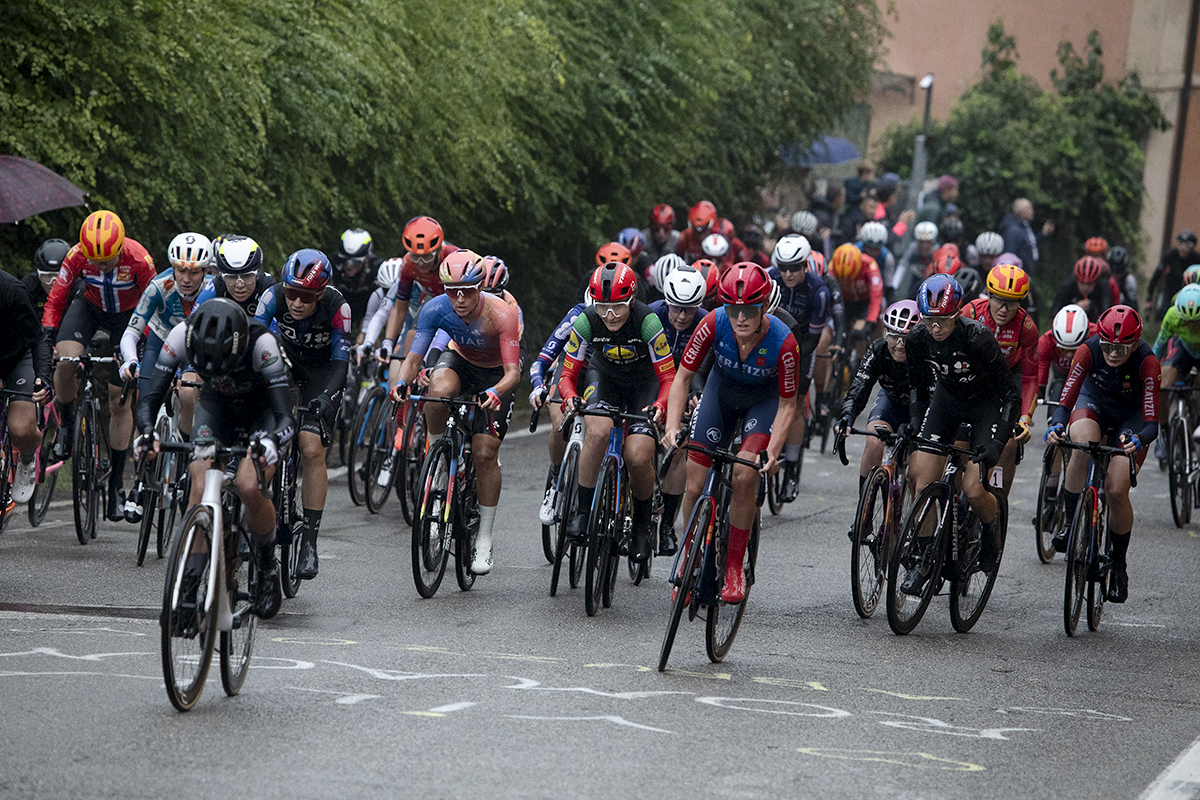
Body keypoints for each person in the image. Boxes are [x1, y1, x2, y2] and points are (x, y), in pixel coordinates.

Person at [135, 299, 292, 620]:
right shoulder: (180, 335)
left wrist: (272, 441)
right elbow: (150, 397)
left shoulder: (263, 344)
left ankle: (265, 565)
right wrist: (148, 432)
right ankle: (190, 587)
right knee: (199, 482)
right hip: (217, 406)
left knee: (250, 485)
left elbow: (284, 417)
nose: (215, 372)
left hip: (262, 413)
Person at [663, 263, 798, 602]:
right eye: (734, 309)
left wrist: (774, 449)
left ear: (763, 306)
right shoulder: (713, 322)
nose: (740, 318)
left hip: (762, 403)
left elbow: (787, 405)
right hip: (720, 395)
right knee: (694, 483)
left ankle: (735, 567)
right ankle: (689, 552)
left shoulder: (785, 342)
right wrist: (672, 425)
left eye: (749, 310)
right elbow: (681, 378)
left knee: (742, 475)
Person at [392, 250, 522, 573]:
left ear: (479, 287)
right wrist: (401, 384)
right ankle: (438, 454)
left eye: (467, 291)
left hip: (495, 374)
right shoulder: (434, 309)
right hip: (460, 361)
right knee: (436, 390)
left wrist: (495, 392)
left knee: (485, 452)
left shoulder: (502, 314)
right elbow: (414, 358)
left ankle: (485, 540)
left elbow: (513, 372)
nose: (460, 299)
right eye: (453, 292)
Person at [902, 274, 1021, 592]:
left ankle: (991, 528)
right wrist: (915, 421)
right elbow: (916, 386)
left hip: (985, 406)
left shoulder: (978, 338)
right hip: (948, 401)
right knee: (922, 481)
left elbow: (1011, 396)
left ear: (957, 314)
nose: (934, 328)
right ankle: (925, 559)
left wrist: (997, 444)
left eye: (942, 320)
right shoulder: (916, 338)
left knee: (972, 488)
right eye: (928, 320)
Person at [558, 262, 676, 564]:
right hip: (604, 378)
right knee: (596, 432)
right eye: (603, 307)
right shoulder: (586, 321)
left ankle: (640, 526)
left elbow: (668, 378)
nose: (609, 315)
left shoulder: (648, 322)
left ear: (632, 300)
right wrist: (570, 396)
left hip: (644, 384)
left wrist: (661, 405)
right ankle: (583, 511)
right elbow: (568, 375)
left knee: (637, 455)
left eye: (618, 307)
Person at [42, 210, 156, 521]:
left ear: (120, 248)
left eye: (107, 261)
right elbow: (56, 298)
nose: (100, 266)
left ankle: (117, 485)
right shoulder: (77, 255)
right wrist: (49, 333)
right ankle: (65, 427)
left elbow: (152, 303)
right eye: (95, 261)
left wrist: (138, 344)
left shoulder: (140, 260)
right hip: (89, 307)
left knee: (119, 399)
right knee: (65, 362)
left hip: (128, 317)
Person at [1045, 305, 1159, 603]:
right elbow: (1065, 400)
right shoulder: (1088, 350)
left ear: (1135, 344)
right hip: (1093, 402)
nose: (1112, 354)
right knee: (1080, 448)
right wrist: (1057, 424)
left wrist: (1138, 438)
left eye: (1121, 349)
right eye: (1107, 346)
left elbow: (1151, 424)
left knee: (1116, 489)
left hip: (1131, 418)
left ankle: (1119, 566)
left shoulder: (1147, 362)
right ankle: (1070, 525)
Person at [254, 249, 352, 581]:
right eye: (292, 293)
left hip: (322, 374)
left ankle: (309, 543)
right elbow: (255, 340)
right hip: (283, 365)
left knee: (311, 447)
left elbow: (341, 364)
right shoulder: (272, 296)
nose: (296, 302)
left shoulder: (338, 308)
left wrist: (326, 398)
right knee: (265, 434)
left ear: (320, 293)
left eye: (305, 296)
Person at [118, 232, 212, 494]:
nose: (186, 277)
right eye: (180, 269)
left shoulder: (215, 290)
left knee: (187, 393)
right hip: (161, 342)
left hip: (196, 347)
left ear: (205, 271)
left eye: (194, 271)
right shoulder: (159, 286)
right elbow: (131, 333)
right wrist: (131, 361)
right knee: (146, 400)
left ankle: (183, 450)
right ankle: (140, 477)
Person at [960, 264, 1040, 495]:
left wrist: (1025, 418)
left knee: (1011, 441)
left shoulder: (1026, 327)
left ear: (1021, 302)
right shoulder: (971, 313)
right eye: (999, 300)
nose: (1004, 309)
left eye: (1013, 302)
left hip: (1006, 381)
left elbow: (1031, 377)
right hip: (972, 379)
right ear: (989, 294)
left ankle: (996, 504)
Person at [646, 266, 710, 552]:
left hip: (688, 386)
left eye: (690, 309)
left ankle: (668, 526)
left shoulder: (707, 322)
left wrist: (698, 395)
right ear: (666, 301)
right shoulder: (651, 315)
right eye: (677, 308)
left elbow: (707, 368)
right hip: (651, 382)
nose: (682, 316)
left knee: (681, 445)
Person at [767, 236, 830, 498]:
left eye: (794, 268)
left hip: (803, 347)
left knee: (794, 402)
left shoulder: (819, 291)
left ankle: (791, 469)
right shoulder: (769, 279)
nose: (788, 274)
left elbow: (814, 339)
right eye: (783, 267)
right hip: (772, 341)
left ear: (805, 265)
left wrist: (790, 362)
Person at [833, 300, 918, 492]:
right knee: (873, 443)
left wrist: (916, 424)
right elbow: (859, 387)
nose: (899, 345)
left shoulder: (925, 355)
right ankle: (864, 512)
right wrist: (847, 416)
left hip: (923, 409)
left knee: (918, 473)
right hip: (892, 402)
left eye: (906, 338)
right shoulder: (878, 350)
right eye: (893, 336)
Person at [360, 215, 458, 369]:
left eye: (426, 257)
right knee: (412, 335)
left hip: (458, 303)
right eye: (415, 257)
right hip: (432, 300)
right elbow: (399, 307)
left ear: (438, 250)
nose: (420, 263)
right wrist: (388, 342)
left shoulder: (453, 257)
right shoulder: (407, 264)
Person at [1032, 303, 1094, 527]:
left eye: (1074, 349)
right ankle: (1049, 499)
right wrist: (1039, 391)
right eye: (1064, 349)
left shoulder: (1096, 335)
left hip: (1089, 383)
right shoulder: (1046, 340)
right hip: (1061, 381)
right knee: (1055, 436)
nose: (1068, 354)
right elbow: (1041, 369)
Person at [0, 270, 54, 505]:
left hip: (17, 358)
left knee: (21, 429)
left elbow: (39, 339)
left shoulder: (11, 289)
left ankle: (26, 458)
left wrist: (43, 377)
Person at [1152, 284, 1200, 462]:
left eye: (1195, 320)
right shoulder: (1172, 316)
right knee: (1162, 387)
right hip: (1184, 350)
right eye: (1186, 320)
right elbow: (1159, 346)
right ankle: (1164, 434)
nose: (1190, 324)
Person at [192, 235, 276, 318]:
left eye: (246, 276)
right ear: (222, 277)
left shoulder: (267, 287)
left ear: (257, 274)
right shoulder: (215, 286)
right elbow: (191, 323)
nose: (240, 285)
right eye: (232, 277)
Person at [828, 243, 883, 360]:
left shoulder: (870, 265)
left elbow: (876, 296)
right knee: (839, 331)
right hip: (845, 302)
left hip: (865, 303)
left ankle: (861, 362)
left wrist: (870, 321)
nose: (848, 280)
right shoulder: (832, 268)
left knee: (860, 333)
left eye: (851, 276)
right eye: (844, 278)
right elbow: (829, 295)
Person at [1146, 230, 1200, 321]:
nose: (1183, 249)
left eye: (1187, 246)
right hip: (1169, 290)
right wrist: (1149, 299)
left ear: (1192, 247)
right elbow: (1156, 276)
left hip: (1189, 293)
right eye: (1180, 244)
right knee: (1161, 314)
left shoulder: (1197, 259)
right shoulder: (1170, 256)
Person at [332, 228, 382, 325]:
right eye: (345, 260)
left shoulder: (376, 268)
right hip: (340, 305)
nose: (349, 266)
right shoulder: (332, 262)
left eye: (355, 262)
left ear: (366, 258)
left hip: (366, 308)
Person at [1000, 198, 1054, 277]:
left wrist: (1043, 234)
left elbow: (1030, 244)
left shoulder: (1024, 225)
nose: (1032, 211)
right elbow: (1009, 254)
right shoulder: (1013, 230)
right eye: (1029, 208)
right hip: (1018, 274)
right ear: (1021, 211)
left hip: (1026, 272)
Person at [1053, 256, 1112, 322]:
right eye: (1082, 283)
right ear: (1076, 280)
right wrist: (1074, 307)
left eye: (1090, 284)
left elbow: (1107, 314)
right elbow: (1055, 315)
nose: (1085, 287)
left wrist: (1093, 306)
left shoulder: (1103, 287)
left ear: (1096, 282)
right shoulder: (1067, 286)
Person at [24, 239, 71, 318]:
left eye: (60, 276)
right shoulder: (27, 288)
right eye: (47, 276)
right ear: (38, 275)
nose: (53, 283)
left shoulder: (81, 289)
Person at [894, 221, 939, 299]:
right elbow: (902, 266)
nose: (924, 246)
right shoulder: (912, 249)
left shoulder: (938, 251)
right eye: (921, 242)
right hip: (916, 280)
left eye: (928, 242)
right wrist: (894, 286)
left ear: (933, 241)